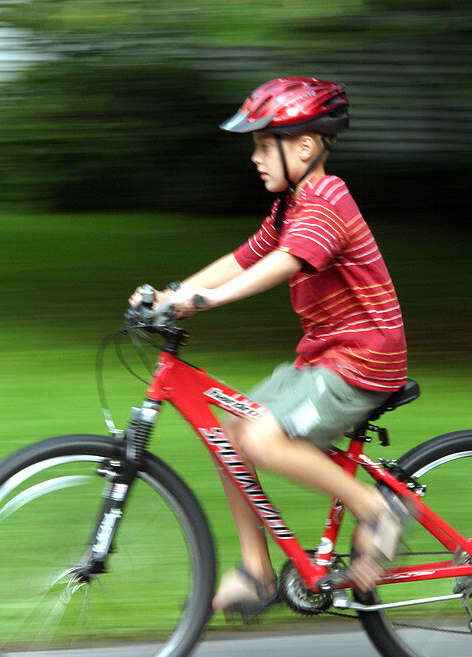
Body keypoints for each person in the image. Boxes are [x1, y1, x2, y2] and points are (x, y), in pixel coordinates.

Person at [130, 78, 409, 620]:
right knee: (228, 433)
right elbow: (244, 258)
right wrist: (172, 296)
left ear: (305, 146)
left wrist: (206, 302)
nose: (255, 158)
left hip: (361, 361)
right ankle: (256, 570)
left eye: (264, 145)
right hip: (323, 360)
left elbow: (286, 264)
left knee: (259, 434)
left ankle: (378, 510)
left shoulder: (328, 199)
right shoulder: (289, 209)